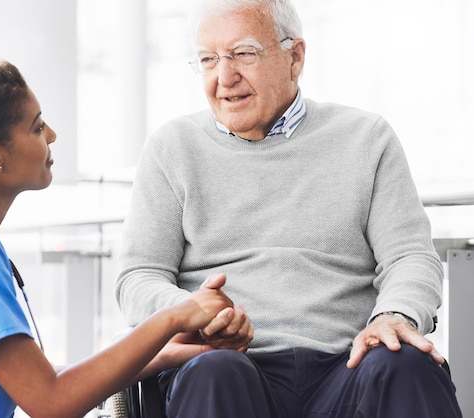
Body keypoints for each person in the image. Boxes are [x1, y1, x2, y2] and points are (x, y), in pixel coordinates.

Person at [114, 0, 463, 417]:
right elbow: (138, 276)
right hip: (228, 364)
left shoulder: (366, 138)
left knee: (404, 362)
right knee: (215, 370)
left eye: (243, 54)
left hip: (348, 363)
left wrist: (394, 314)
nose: (225, 78)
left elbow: (410, 257)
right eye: (208, 60)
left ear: (294, 57)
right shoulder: (171, 148)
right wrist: (190, 313)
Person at [0, 59, 236, 418]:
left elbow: (35, 378)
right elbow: (50, 402)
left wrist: (166, 353)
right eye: (36, 126)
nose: (52, 134)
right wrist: (174, 314)